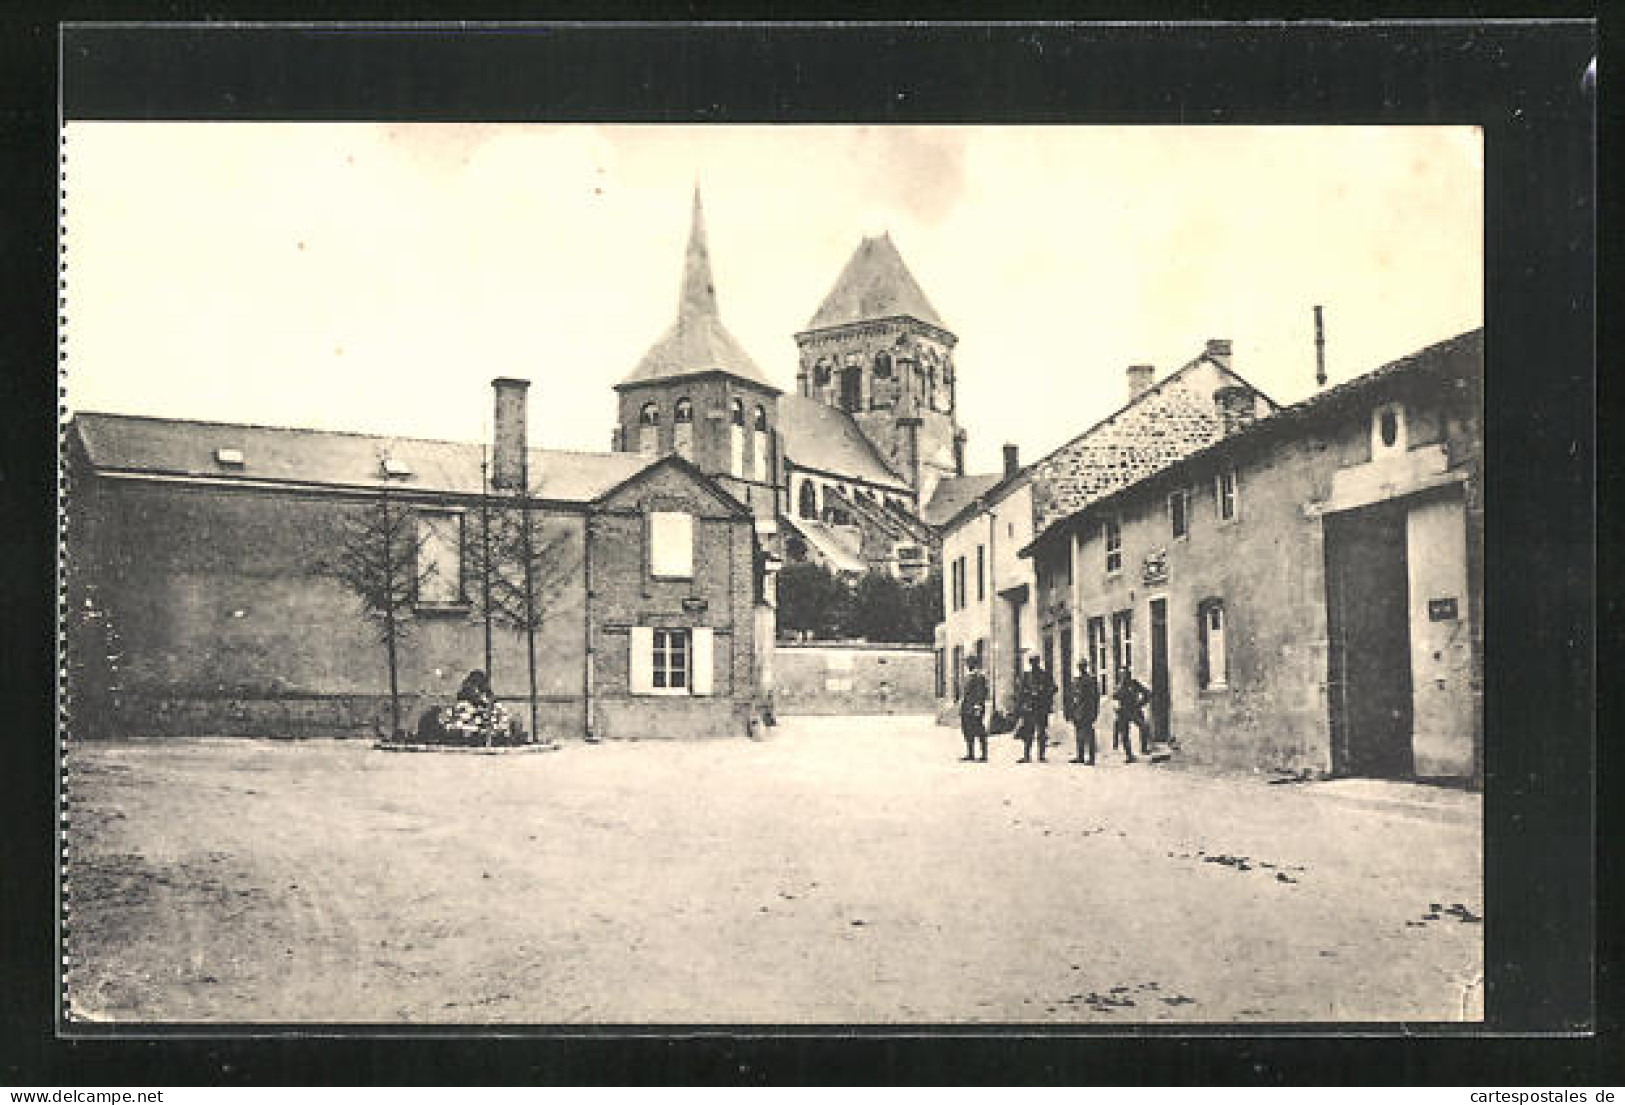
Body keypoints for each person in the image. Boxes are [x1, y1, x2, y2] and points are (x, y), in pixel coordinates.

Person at [1014, 654, 1057, 763]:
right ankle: (1026, 755)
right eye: (1032, 662)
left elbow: (1054, 688)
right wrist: (1021, 705)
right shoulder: (1026, 676)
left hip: (1041, 707)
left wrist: (1043, 693)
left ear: (1038, 662)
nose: (1034, 664)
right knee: (1028, 732)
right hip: (1029, 708)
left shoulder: (1045, 675)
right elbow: (1020, 692)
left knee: (1042, 732)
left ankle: (1041, 756)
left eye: (1035, 662)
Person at [1111, 669, 1151, 762]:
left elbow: (1147, 693)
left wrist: (1140, 703)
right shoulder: (1118, 687)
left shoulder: (1134, 684)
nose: (1123, 677)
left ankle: (1144, 749)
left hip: (1134, 710)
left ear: (1129, 675)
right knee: (1124, 734)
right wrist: (1116, 708)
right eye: (1121, 675)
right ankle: (1129, 755)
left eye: (1125, 675)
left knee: (1144, 727)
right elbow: (1114, 699)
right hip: (1123, 712)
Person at [1065, 659, 1100, 765]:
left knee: (1089, 735)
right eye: (1080, 666)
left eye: (1083, 666)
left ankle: (1091, 758)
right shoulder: (1076, 681)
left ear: (1086, 667)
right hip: (1077, 711)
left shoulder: (1090, 681)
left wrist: (1094, 712)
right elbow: (1072, 697)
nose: (1081, 668)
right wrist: (1070, 711)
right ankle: (1080, 756)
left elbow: (1095, 698)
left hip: (1087, 711)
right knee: (1079, 734)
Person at [958, 655, 989, 763]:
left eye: (969, 663)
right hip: (966, 707)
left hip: (975, 707)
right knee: (967, 730)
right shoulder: (968, 676)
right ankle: (970, 753)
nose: (967, 665)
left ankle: (984, 754)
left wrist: (978, 705)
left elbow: (981, 692)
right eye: (967, 663)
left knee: (979, 729)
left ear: (974, 664)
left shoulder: (979, 676)